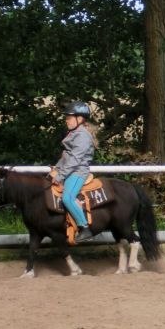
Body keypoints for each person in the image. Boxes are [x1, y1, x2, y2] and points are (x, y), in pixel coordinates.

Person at [54, 101, 97, 243]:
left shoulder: (82, 136)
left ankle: (84, 228)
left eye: (69, 118)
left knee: (67, 197)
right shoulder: (74, 133)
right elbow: (66, 156)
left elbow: (74, 159)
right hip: (70, 169)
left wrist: (60, 175)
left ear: (80, 119)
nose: (66, 120)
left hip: (78, 172)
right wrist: (55, 170)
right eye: (66, 118)